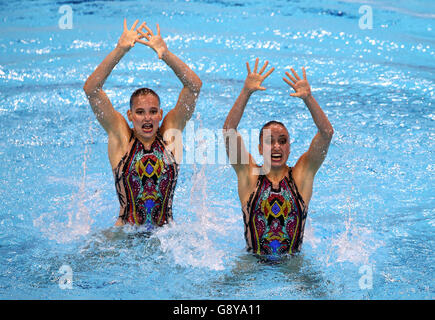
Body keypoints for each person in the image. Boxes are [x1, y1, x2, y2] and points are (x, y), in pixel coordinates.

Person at [83, 19, 202, 228]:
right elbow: (91, 90)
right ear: (130, 115)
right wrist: (119, 50)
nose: (147, 118)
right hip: (124, 237)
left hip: (166, 236)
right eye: (140, 112)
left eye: (152, 112)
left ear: (160, 114)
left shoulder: (170, 135)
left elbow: (193, 86)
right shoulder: (121, 138)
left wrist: (165, 54)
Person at [223, 58, 333, 256]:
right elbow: (229, 130)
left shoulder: (301, 175)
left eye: (282, 141)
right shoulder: (249, 175)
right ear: (259, 148)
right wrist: (245, 92)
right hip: (253, 263)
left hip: (293, 265)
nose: (276, 146)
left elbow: (326, 133)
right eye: (269, 141)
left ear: (289, 148)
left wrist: (309, 98)